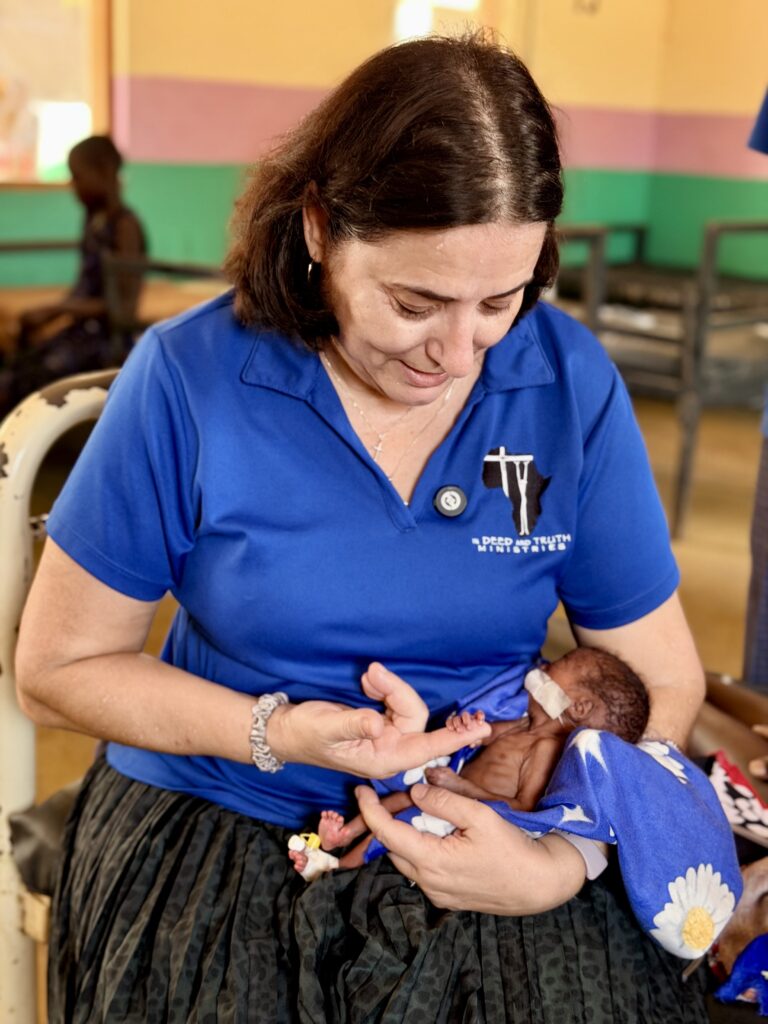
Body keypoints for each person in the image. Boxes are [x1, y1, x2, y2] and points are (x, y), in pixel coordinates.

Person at [15, 33, 710, 1023]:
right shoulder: (193, 378)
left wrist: (566, 852)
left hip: (500, 815)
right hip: (225, 806)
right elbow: (59, 667)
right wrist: (280, 731)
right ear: (318, 230)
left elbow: (667, 677)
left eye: (499, 302)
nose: (460, 353)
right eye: (415, 301)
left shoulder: (565, 382)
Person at [290, 647, 649, 874]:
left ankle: (339, 865)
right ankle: (342, 834)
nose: (545, 667)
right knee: (397, 798)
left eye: (559, 666)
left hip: (460, 813)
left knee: (396, 824)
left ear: (579, 706)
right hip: (445, 786)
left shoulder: (546, 751)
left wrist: (461, 787)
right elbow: (486, 735)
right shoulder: (527, 722)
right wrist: (468, 728)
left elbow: (523, 807)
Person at [0, 134, 146, 416]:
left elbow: (123, 312)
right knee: (16, 359)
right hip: (81, 332)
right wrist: (50, 316)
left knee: (28, 378)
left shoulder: (125, 227)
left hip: (106, 340)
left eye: (77, 177)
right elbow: (84, 288)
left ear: (104, 173)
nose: (73, 186)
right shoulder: (93, 220)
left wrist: (57, 309)